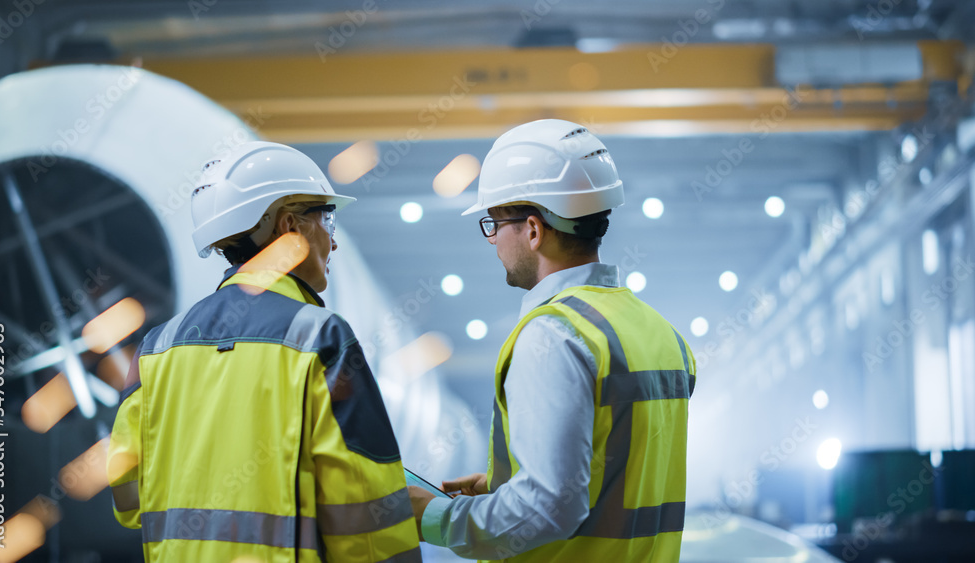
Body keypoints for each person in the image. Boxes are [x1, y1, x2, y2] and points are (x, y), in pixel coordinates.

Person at [107, 141, 422, 562]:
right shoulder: (320, 340)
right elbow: (365, 518)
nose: (333, 240)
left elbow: (129, 501)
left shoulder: (156, 348)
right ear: (290, 226)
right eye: (326, 217)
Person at [408, 120, 696, 561]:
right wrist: (503, 487)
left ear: (533, 229)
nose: (493, 241)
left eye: (494, 223)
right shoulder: (659, 331)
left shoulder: (554, 336)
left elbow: (550, 509)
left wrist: (432, 518)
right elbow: (620, 471)